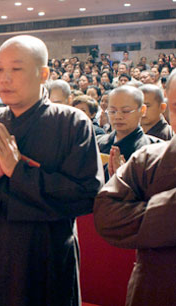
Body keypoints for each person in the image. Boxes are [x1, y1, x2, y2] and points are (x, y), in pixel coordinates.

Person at [0, 35, 103, 306]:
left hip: (44, 254)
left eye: (16, 69)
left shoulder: (71, 123)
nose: (4, 79)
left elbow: (86, 193)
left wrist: (18, 172)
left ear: (43, 74)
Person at [93, 69, 176, 306]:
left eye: (125, 111)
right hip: (155, 286)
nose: (118, 116)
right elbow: (106, 214)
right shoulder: (148, 158)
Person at [97, 85, 161, 179]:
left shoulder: (155, 148)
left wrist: (124, 177)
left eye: (125, 111)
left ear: (142, 110)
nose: (118, 116)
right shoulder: (97, 143)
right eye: (112, 111)